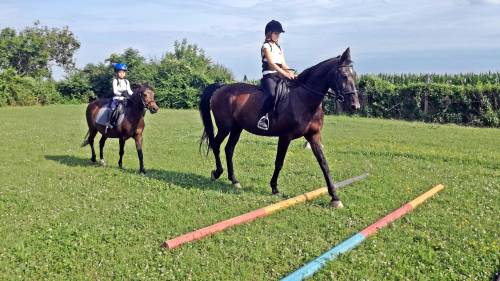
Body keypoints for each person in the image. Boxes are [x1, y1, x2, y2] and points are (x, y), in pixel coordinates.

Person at [257, 20, 297, 130]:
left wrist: (291, 73)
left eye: (278, 34)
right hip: (269, 76)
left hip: (279, 75)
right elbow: (271, 63)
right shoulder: (266, 46)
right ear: (269, 33)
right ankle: (263, 117)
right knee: (272, 94)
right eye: (276, 33)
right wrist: (284, 73)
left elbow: (283, 63)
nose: (278, 36)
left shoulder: (279, 47)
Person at [109, 63, 133, 128]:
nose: (122, 74)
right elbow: (115, 91)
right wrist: (121, 94)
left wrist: (133, 95)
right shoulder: (115, 80)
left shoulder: (126, 81)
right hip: (117, 98)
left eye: (123, 72)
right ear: (117, 73)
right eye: (120, 72)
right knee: (115, 109)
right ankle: (111, 122)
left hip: (125, 98)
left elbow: (129, 91)